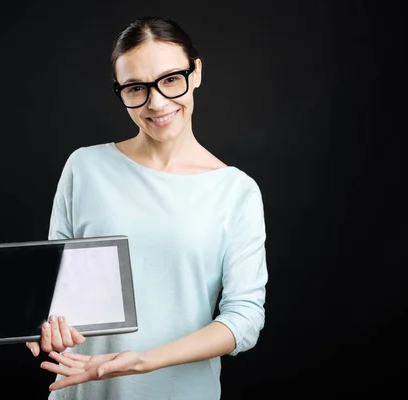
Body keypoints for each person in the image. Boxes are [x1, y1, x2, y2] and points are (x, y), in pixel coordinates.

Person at [25, 16, 269, 400]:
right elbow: (54, 288)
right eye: (136, 88)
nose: (156, 103)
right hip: (84, 392)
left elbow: (245, 320)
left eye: (171, 79)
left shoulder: (236, 191)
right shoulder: (84, 167)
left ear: (197, 72)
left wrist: (144, 361)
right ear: (120, 90)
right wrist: (45, 324)